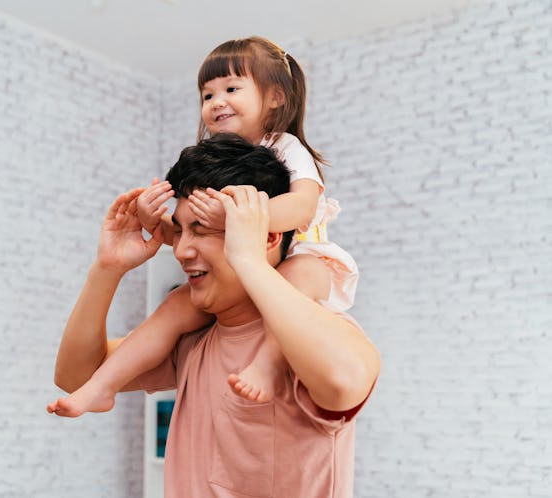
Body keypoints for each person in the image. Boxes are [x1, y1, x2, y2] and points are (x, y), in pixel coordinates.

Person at [49, 134, 380, 497]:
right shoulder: (191, 340)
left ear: (269, 237)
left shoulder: (316, 336)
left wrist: (249, 259)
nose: (181, 250)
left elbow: (342, 382)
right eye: (180, 229)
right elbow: (75, 377)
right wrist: (106, 270)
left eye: (201, 229)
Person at [48, 36, 359, 416]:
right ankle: (103, 387)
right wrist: (142, 232)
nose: (217, 102)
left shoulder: (286, 148)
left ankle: (266, 364)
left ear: (276, 97)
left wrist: (240, 221)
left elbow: (302, 206)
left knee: (300, 274)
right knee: (173, 305)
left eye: (231, 89)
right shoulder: (198, 340)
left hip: (308, 255)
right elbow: (71, 376)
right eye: (207, 95)